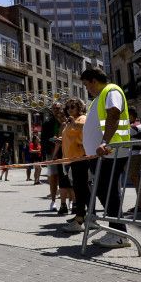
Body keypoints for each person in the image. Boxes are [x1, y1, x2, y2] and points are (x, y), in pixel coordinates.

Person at [80, 68, 131, 248]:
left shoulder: (111, 91)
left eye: (86, 85)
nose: (87, 89)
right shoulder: (98, 98)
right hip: (104, 153)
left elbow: (114, 113)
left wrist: (104, 142)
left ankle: (119, 234)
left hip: (113, 151)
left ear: (93, 80)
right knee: (104, 191)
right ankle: (116, 232)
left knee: (107, 191)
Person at [59, 99, 90, 233]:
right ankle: (87, 217)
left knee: (80, 189)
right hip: (73, 158)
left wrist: (73, 124)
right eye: (68, 107)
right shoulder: (73, 120)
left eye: (73, 106)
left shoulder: (81, 119)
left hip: (80, 158)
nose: (70, 109)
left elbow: (85, 133)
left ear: (79, 108)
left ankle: (80, 219)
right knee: (81, 189)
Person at [123, 108, 141, 214]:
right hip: (132, 155)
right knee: (135, 179)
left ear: (131, 115)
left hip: (135, 155)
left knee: (136, 178)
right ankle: (140, 205)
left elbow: (123, 132)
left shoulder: (136, 125)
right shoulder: (133, 124)